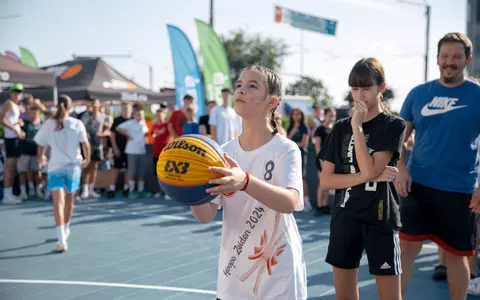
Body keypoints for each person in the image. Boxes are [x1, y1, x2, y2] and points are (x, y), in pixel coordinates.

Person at [191, 65, 307, 300]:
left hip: (278, 276)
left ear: (271, 102)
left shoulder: (285, 149)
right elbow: (205, 215)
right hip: (233, 276)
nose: (241, 90)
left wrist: (244, 181)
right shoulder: (221, 153)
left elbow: (290, 202)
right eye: (239, 85)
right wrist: (189, 189)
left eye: (252, 86)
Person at [396, 32, 480, 300]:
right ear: (437, 59)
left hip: (461, 190)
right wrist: (401, 167)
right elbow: (399, 138)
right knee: (406, 250)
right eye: (444, 56)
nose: (449, 62)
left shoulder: (477, 95)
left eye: (456, 56)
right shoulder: (419, 94)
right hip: (418, 185)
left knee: (457, 257)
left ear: (468, 59)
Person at [318, 57, 406, 300]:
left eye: (366, 88)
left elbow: (370, 171)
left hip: (380, 218)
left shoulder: (393, 125)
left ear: (381, 88)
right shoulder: (339, 128)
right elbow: (326, 180)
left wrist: (357, 127)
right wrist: (365, 177)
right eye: (355, 88)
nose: (360, 95)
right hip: (345, 217)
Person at [34, 95, 91, 252]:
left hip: (56, 167)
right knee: (69, 201)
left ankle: (61, 238)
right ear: (71, 108)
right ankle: (65, 230)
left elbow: (40, 144)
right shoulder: (77, 123)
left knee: (58, 203)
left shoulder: (49, 124)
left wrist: (42, 156)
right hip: (73, 167)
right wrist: (87, 159)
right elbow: (86, 144)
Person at [1, 83, 26, 205]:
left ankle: (9, 193)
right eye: (15, 92)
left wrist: (18, 123)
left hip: (15, 138)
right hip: (10, 138)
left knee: (13, 167)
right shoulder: (8, 103)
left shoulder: (15, 105)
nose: (17, 94)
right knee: (9, 167)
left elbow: (10, 120)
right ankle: (6, 195)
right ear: (11, 93)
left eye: (19, 92)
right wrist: (15, 129)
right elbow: (2, 120)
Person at [116, 109, 149, 199]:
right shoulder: (130, 122)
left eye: (142, 114)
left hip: (142, 151)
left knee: (141, 172)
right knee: (132, 172)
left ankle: (141, 190)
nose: (140, 116)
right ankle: (131, 191)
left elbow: (145, 134)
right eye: (138, 114)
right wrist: (128, 135)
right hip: (132, 151)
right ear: (134, 115)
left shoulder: (144, 123)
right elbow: (118, 128)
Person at [313, 107, 336, 216]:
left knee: (327, 183)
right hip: (321, 160)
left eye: (333, 115)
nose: (332, 117)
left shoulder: (334, 128)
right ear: (325, 115)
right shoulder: (319, 129)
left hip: (331, 160)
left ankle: (325, 205)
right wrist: (321, 161)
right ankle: (319, 206)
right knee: (321, 183)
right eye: (330, 115)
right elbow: (317, 147)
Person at [107, 102, 132, 198]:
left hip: (130, 149)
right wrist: (115, 148)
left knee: (128, 169)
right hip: (118, 148)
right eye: (124, 108)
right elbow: (112, 135)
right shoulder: (117, 120)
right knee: (115, 168)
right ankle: (112, 188)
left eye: (127, 108)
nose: (126, 109)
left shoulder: (133, 120)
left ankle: (126, 188)